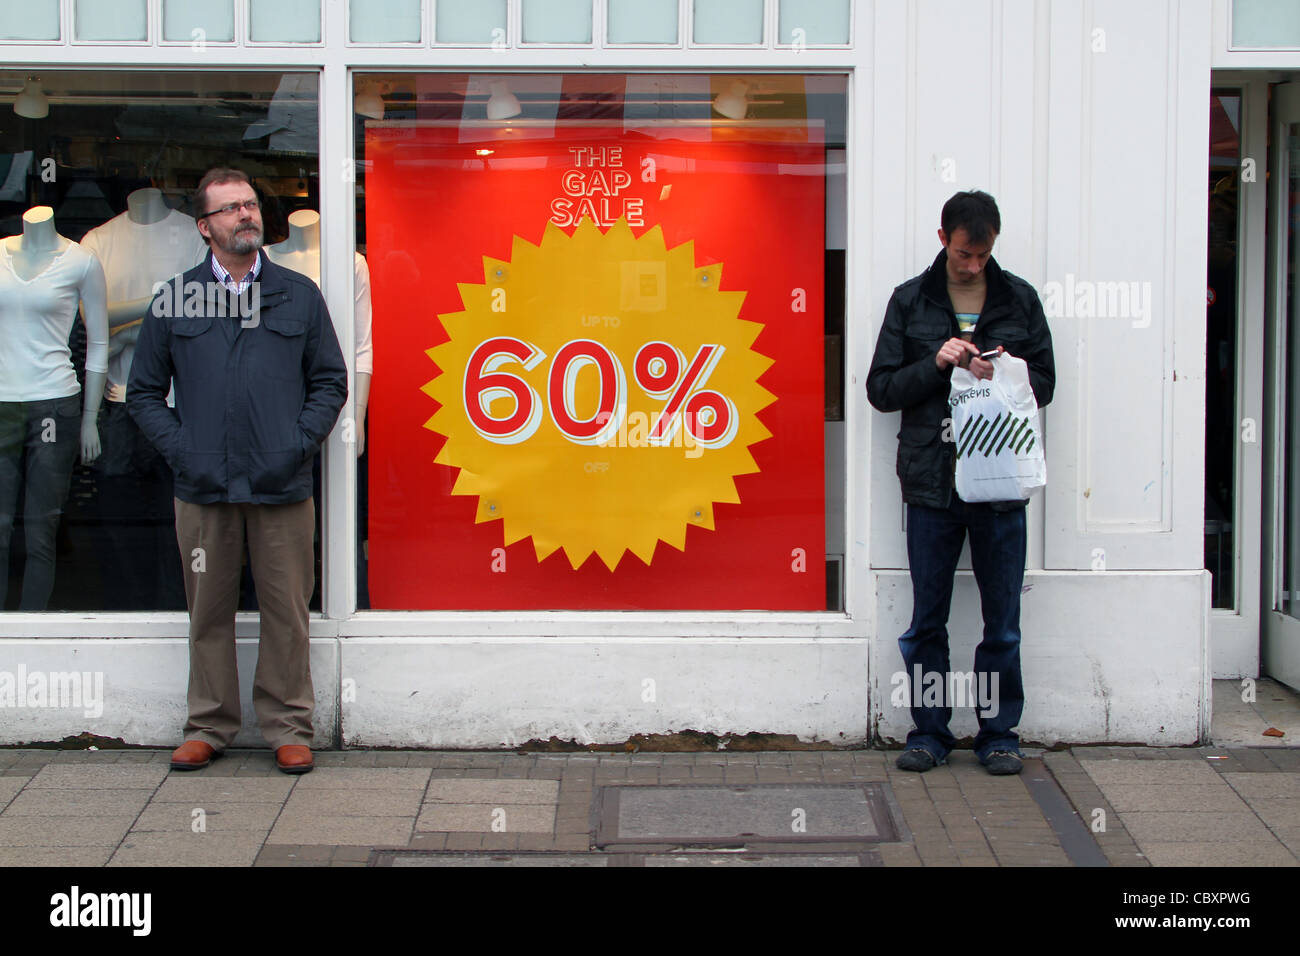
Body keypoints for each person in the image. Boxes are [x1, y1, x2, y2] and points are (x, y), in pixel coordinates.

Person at [127, 168, 347, 773]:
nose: (245, 215)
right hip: (203, 487)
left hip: (282, 484)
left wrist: (296, 443)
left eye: (250, 204)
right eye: (229, 209)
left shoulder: (297, 295)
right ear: (205, 227)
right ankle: (209, 724)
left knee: (287, 610)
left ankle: (287, 726)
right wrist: (184, 448)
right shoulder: (174, 297)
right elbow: (144, 392)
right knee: (208, 611)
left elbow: (330, 379)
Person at [866, 190, 1054, 775]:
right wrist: (937, 363)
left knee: (1001, 620)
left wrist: (1005, 371)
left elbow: (1045, 383)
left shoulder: (1018, 298)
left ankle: (998, 734)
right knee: (928, 619)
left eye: (983, 254)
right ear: (943, 237)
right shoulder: (910, 300)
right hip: (930, 482)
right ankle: (928, 733)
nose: (974, 265)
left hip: (998, 479)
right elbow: (881, 390)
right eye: (965, 253)